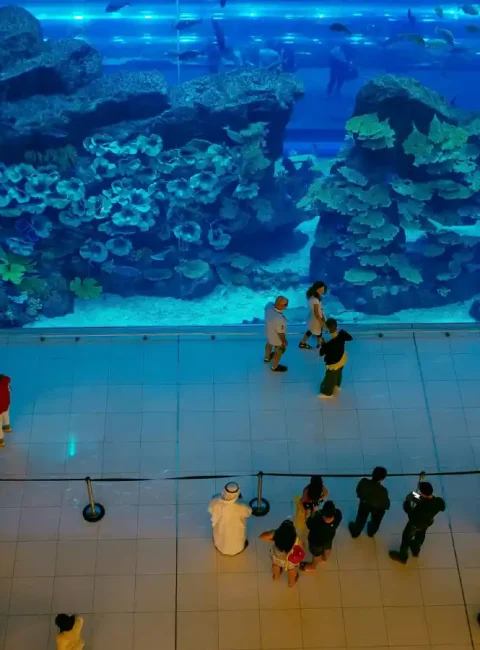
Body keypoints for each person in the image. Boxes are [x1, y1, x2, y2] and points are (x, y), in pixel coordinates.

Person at [389, 481, 446, 565]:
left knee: (406, 538)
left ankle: (402, 557)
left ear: (422, 493)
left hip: (415, 524)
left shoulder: (421, 507)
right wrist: (416, 496)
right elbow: (442, 507)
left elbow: (410, 513)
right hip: (426, 523)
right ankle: (415, 551)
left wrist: (407, 502)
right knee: (420, 536)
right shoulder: (438, 501)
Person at [208, 482, 252, 556]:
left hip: (220, 529)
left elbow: (210, 510)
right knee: (237, 538)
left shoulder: (215, 500)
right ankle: (237, 549)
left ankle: (220, 547)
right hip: (236, 530)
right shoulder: (241, 505)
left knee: (220, 535)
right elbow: (248, 512)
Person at [260, 519, 304, 587]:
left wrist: (273, 537)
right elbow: (301, 547)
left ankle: (276, 577)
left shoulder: (276, 534)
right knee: (291, 570)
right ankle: (291, 582)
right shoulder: (296, 538)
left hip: (277, 557)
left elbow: (262, 537)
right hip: (291, 560)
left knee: (276, 566)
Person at [349, 466, 390, 538]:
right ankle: (371, 532)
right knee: (376, 521)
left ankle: (356, 532)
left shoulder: (364, 482)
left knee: (361, 519)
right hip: (378, 508)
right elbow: (386, 504)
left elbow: (358, 492)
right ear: (382, 479)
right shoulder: (383, 491)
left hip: (365, 504)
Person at [302, 500, 342, 571]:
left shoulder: (317, 520)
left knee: (316, 555)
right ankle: (324, 558)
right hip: (329, 537)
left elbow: (308, 523)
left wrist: (312, 512)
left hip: (316, 542)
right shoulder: (338, 515)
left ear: (323, 514)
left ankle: (313, 566)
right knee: (327, 548)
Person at [319, 318, 353, 398]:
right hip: (342, 358)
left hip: (333, 363)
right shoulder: (342, 334)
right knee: (339, 372)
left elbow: (321, 353)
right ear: (336, 326)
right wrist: (343, 332)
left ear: (328, 329)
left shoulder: (329, 344)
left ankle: (327, 393)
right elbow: (350, 338)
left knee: (329, 377)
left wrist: (323, 345)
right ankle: (337, 385)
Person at [299, 281, 327, 350]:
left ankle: (304, 343)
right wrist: (321, 322)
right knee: (318, 331)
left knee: (313, 330)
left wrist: (323, 317)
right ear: (316, 289)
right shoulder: (315, 299)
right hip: (316, 319)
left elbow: (319, 310)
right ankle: (319, 344)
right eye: (320, 290)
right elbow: (316, 313)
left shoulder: (315, 297)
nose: (322, 291)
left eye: (323, 290)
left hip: (315, 318)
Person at [264, 296, 288, 372]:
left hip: (268, 332)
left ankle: (267, 358)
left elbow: (266, 308)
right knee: (278, 352)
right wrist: (284, 341)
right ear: (280, 306)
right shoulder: (280, 318)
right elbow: (280, 333)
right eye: (286, 304)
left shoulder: (269, 306)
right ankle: (275, 367)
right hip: (276, 338)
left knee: (269, 343)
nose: (287, 306)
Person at [0, 374, 12, 448]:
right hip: (5, 403)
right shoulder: (5, 381)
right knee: (5, 414)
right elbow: (9, 390)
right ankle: (7, 426)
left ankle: (0, 440)